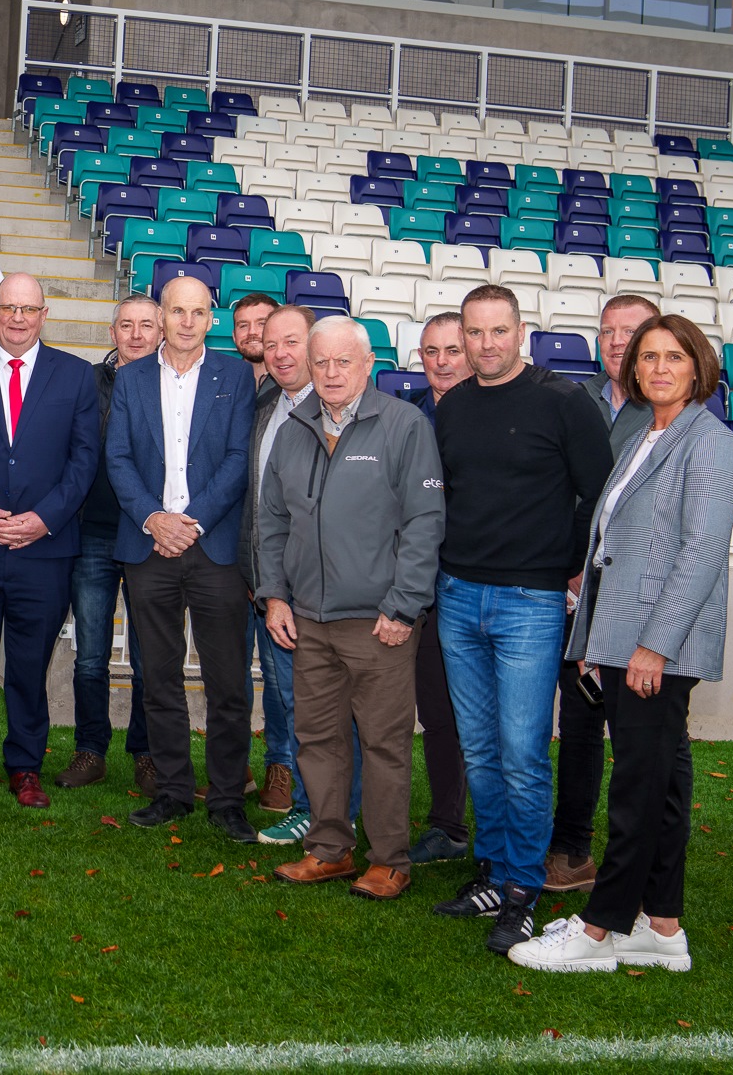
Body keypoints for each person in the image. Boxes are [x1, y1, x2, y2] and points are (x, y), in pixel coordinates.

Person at [509, 315, 733, 974]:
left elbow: (700, 554)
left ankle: (600, 927)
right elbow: (612, 549)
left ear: (697, 367)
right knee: (664, 784)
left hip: (656, 647)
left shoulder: (712, 443)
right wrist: (593, 636)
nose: (660, 368)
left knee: (638, 790)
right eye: (648, 357)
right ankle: (661, 927)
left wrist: (654, 646)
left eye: (674, 357)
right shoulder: (646, 434)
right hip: (621, 637)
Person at [431, 284, 612, 955]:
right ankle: (494, 868)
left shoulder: (563, 401)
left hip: (530, 603)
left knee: (523, 752)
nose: (484, 345)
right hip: (458, 594)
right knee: (479, 746)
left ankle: (521, 890)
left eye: (497, 331)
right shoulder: (452, 407)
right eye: (473, 333)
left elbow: (602, 492)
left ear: (521, 330)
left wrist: (570, 561)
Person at [259, 317, 445, 901]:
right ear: (309, 369)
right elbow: (270, 521)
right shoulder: (293, 428)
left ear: (369, 365)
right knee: (317, 739)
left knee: (384, 744)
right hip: (306, 620)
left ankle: (389, 859)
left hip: (379, 623)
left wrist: (403, 605)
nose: (332, 373)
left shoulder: (403, 425)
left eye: (344, 362)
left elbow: (424, 522)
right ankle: (330, 848)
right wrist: (275, 596)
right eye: (322, 363)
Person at [0, 274, 99, 808]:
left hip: (44, 552)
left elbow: (83, 462)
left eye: (29, 309)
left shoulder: (77, 378)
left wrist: (44, 519)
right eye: (8, 307)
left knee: (30, 667)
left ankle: (25, 766)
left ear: (44, 313)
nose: (18, 318)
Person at [105, 275, 256, 839]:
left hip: (211, 548)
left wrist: (190, 524)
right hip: (149, 548)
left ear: (210, 319)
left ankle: (225, 799)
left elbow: (239, 458)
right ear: (161, 316)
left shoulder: (235, 375)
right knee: (159, 678)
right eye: (176, 311)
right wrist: (153, 519)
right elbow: (117, 456)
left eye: (198, 312)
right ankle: (172, 790)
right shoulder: (133, 377)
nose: (187, 321)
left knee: (227, 682)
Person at [545, 292, 662, 894]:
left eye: (631, 331)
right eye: (608, 330)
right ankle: (556, 843)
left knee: (624, 731)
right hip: (561, 586)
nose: (617, 341)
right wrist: (567, 565)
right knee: (564, 721)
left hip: (631, 599)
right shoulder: (571, 396)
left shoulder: (674, 412)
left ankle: (603, 856)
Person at [236, 304, 349, 848]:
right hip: (272, 587)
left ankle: (328, 815)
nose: (280, 353)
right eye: (271, 343)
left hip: (320, 594)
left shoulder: (334, 412)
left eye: (292, 343)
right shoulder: (267, 406)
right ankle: (319, 810)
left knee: (320, 710)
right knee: (293, 703)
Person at [55, 296, 160, 791]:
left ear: (161, 332)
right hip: (93, 534)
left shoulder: (171, 385)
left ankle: (146, 754)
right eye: (126, 325)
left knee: (147, 657)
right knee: (91, 655)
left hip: (147, 539)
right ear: (112, 331)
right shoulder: (86, 382)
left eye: (146, 325)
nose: (136, 334)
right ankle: (90, 750)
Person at [401, 311, 473, 866]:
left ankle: (474, 827)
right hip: (421, 589)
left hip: (478, 587)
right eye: (431, 351)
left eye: (452, 349)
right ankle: (447, 823)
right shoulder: (406, 418)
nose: (442, 361)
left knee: (477, 715)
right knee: (436, 712)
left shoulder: (497, 413)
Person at [230, 293, 278, 389]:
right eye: (243, 325)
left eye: (262, 324)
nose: (252, 332)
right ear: (234, 336)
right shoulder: (222, 381)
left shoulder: (295, 382)